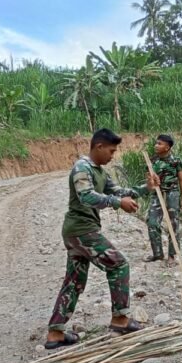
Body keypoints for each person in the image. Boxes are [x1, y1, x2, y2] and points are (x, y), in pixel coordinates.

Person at [45, 128, 159, 350]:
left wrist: (146, 188)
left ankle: (55, 332)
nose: (112, 155)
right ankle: (120, 319)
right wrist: (118, 204)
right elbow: (86, 196)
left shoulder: (100, 172)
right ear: (98, 146)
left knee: (74, 281)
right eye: (111, 150)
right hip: (81, 230)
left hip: (78, 231)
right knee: (118, 264)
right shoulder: (82, 168)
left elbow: (119, 191)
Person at [145, 134, 182, 265]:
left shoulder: (176, 160)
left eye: (159, 144)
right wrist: (151, 183)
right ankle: (157, 254)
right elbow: (148, 180)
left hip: (172, 194)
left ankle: (172, 255)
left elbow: (181, 179)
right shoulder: (152, 161)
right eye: (156, 143)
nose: (156, 146)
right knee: (152, 222)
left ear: (167, 147)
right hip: (157, 193)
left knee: (173, 223)